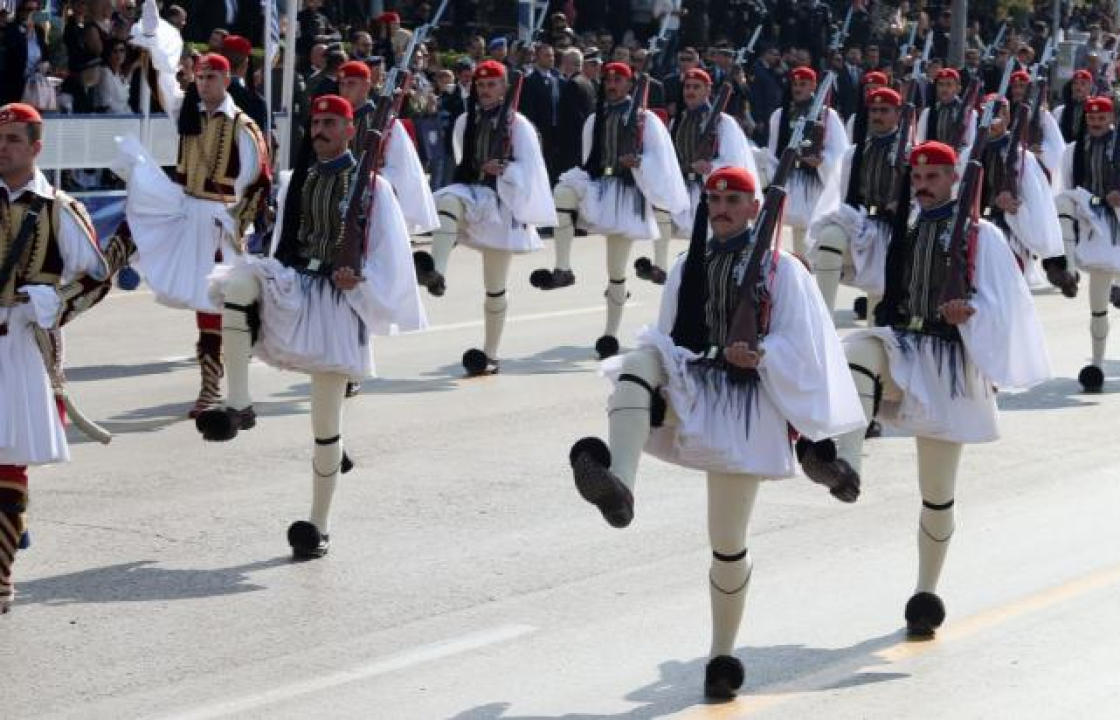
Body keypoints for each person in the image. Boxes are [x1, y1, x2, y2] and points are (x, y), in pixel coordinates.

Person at [567, 166, 864, 699]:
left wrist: (761, 354)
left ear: (755, 209)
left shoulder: (784, 272)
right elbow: (670, 340)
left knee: (726, 544)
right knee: (638, 360)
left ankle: (722, 656)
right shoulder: (688, 266)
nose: (722, 206)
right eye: (714, 198)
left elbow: (807, 347)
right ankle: (620, 487)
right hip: (696, 384)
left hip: (747, 404)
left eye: (733, 199)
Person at [809, 141, 1050, 638]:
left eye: (933, 177)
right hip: (903, 347)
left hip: (949, 364)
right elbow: (855, 262)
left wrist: (971, 312)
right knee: (858, 351)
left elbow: (1009, 306)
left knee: (937, 493)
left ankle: (926, 592)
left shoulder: (982, 237)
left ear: (953, 181)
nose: (922, 185)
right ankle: (847, 466)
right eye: (917, 176)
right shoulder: (907, 227)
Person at [195, 94, 425, 558]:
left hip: (340, 305)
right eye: (315, 122)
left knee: (325, 428)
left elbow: (390, 257)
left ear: (349, 131)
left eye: (329, 123)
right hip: (298, 284)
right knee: (237, 282)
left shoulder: (374, 190)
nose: (318, 130)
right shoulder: (294, 180)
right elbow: (282, 245)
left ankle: (317, 525)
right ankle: (238, 403)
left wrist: (358, 282)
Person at [0, 102, 127, 612]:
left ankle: (2, 573)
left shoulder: (58, 209)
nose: (3, 147)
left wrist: (47, 305)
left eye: (12, 138)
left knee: (9, 460)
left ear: (36, 147)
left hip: (23, 347)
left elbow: (96, 278)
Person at [117, 11, 271, 417]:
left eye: (211, 78)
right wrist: (153, 44)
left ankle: (216, 385)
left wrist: (239, 223)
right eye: (200, 78)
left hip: (221, 220)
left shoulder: (241, 125)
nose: (203, 84)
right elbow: (164, 84)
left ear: (226, 80)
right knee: (199, 296)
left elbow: (258, 178)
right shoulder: (189, 112)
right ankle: (211, 384)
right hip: (188, 211)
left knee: (217, 303)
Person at [532, 61, 688, 359]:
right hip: (601, 187)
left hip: (628, 196)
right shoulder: (596, 118)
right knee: (563, 192)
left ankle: (609, 335)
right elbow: (589, 158)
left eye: (618, 80)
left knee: (615, 271)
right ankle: (563, 269)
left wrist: (640, 163)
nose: (612, 84)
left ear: (630, 85)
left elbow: (662, 161)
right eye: (608, 80)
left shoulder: (646, 121)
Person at [413, 60, 556, 376]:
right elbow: (463, 160)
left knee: (495, 287)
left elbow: (532, 171)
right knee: (448, 201)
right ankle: (436, 271)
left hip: (503, 206)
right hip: (476, 197)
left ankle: (490, 354)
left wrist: (506, 170)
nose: (486, 91)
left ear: (504, 88)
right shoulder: (467, 120)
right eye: (481, 85)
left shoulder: (518, 126)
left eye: (492, 85)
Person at [636, 67, 760, 285]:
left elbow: (733, 161)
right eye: (687, 87)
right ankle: (661, 268)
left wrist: (711, 167)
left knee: (708, 243)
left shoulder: (722, 123)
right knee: (661, 210)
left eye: (696, 87)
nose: (690, 91)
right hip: (682, 186)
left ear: (707, 90)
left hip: (709, 190)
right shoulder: (678, 121)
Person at [810, 86, 906, 321]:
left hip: (894, 229)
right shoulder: (855, 153)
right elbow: (846, 199)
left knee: (877, 308)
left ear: (898, 114)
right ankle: (823, 318)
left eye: (884, 110)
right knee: (831, 235)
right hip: (863, 224)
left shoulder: (908, 153)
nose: (877, 116)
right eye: (874, 110)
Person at [1054, 96, 1120, 391]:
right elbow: (1069, 188)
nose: (1095, 123)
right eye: (1092, 118)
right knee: (1097, 305)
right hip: (1094, 213)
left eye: (1101, 118)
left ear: (1111, 118)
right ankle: (1096, 364)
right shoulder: (1073, 151)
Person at [336, 60, 438, 237]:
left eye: (351, 83)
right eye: (342, 84)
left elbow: (403, 171)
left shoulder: (384, 123)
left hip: (371, 200)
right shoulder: (334, 120)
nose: (345, 89)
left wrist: (370, 178)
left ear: (367, 85)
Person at [765, 66, 848, 259]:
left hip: (814, 185)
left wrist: (822, 162)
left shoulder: (828, 115)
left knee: (808, 240)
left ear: (813, 86)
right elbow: (773, 151)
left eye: (803, 84)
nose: (797, 88)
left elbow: (839, 153)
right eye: (795, 84)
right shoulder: (781, 114)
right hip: (789, 181)